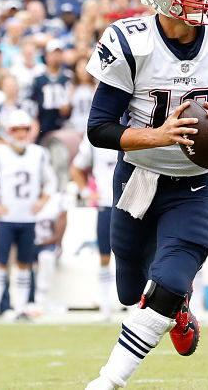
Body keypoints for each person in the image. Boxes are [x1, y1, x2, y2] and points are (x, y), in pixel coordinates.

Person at [83, 0, 208, 389]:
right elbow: (99, 129)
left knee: (166, 284)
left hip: (193, 186)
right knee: (132, 291)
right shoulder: (130, 41)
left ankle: (108, 381)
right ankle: (177, 304)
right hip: (138, 180)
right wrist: (157, 135)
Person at [0, 109, 56, 320]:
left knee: (24, 264)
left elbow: (51, 182)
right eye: (16, 130)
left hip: (28, 218)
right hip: (6, 219)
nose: (20, 135)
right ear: (9, 132)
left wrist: (42, 201)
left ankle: (21, 308)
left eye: (24, 130)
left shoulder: (38, 153)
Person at [70, 134, 119, 319]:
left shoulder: (134, 125)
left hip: (132, 202)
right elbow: (76, 168)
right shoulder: (94, 135)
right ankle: (105, 304)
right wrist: (85, 192)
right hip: (106, 203)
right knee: (105, 256)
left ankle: (131, 304)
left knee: (133, 255)